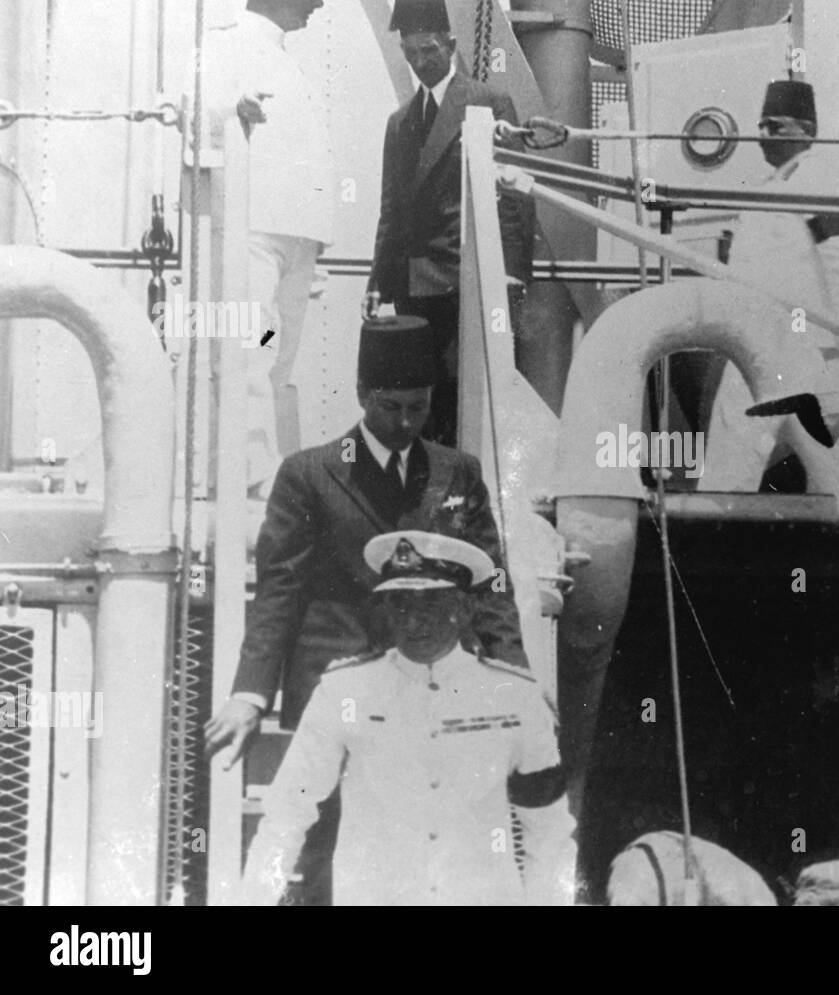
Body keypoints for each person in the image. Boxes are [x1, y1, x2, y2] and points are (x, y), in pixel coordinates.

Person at [205, 315, 528, 903]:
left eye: (418, 408)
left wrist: (515, 674)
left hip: (431, 682)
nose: (406, 423)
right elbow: (280, 590)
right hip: (339, 687)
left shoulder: (458, 472)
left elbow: (490, 583)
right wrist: (251, 693)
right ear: (362, 396)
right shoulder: (308, 474)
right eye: (391, 408)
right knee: (332, 843)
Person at [241, 529, 574, 906]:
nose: (413, 622)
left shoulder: (514, 698)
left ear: (464, 609)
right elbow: (287, 816)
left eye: (430, 604)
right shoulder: (344, 691)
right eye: (400, 604)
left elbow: (549, 832)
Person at [700, 79, 839, 494]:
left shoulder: (816, 177)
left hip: (791, 344)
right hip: (764, 341)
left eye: (776, 126)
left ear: (807, 131)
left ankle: (710, 536)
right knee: (832, 462)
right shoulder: (769, 189)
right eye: (762, 126)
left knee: (735, 450)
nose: (763, 136)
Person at [363, 0, 535, 447]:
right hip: (413, 288)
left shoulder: (489, 104)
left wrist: (512, 276)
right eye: (410, 53)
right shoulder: (398, 124)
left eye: (429, 51)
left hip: (465, 280)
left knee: (465, 393)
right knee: (421, 395)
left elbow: (514, 200)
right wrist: (377, 283)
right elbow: (391, 211)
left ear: (452, 45)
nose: (419, 63)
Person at [190, 0, 334, 494]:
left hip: (296, 238)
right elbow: (194, 105)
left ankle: (263, 472)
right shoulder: (225, 42)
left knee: (277, 357)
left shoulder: (288, 59)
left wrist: (317, 241)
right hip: (250, 228)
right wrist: (233, 108)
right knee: (248, 350)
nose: (319, 4)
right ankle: (247, 474)